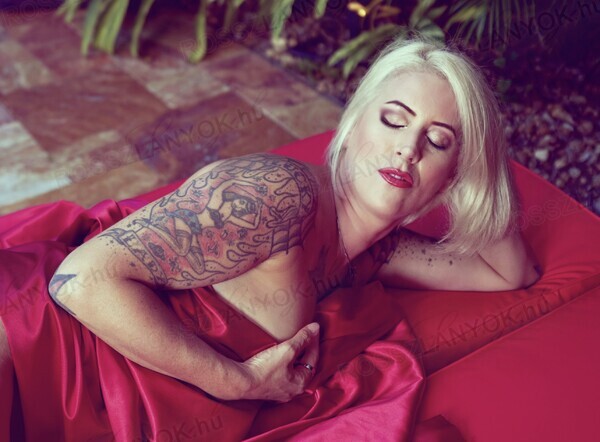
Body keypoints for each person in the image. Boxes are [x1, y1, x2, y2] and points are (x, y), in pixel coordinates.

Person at [0, 35, 539, 416]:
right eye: (393, 119)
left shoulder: (380, 251)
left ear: (453, 177)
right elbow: (80, 280)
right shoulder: (278, 194)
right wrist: (236, 381)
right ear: (353, 125)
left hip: (92, 404)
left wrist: (481, 165)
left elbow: (509, 272)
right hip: (35, 351)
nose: (408, 147)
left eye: (438, 140)